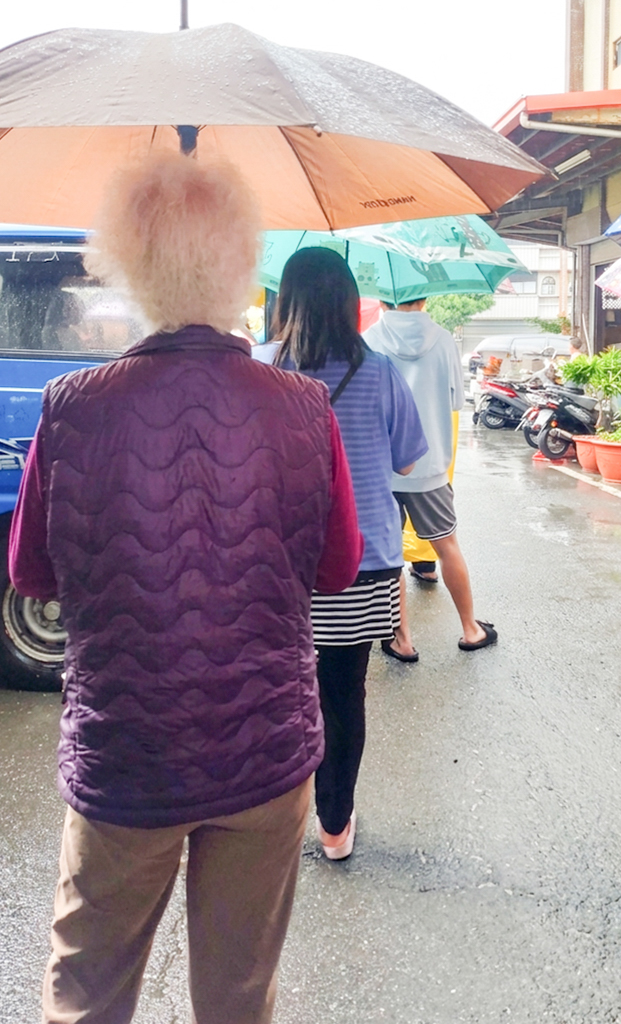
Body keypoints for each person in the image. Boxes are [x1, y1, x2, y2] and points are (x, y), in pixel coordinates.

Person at [9, 153, 363, 1024]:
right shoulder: (304, 407)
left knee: (87, 991)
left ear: (124, 259)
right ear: (241, 259)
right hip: (265, 749)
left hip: (124, 754)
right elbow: (338, 567)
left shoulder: (70, 403)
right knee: (237, 997)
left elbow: (31, 575)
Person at [273, 248, 427, 856]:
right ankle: (334, 824)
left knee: (279, 688)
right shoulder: (381, 372)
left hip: (277, 563)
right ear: (347, 303)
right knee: (342, 692)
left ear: (284, 302)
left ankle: (271, 820)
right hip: (362, 560)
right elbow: (407, 459)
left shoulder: (264, 370)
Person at [365, 298, 497, 656]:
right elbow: (456, 401)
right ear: (424, 299)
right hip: (430, 465)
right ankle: (471, 630)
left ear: (381, 299)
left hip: (384, 466)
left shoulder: (369, 339)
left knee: (391, 556)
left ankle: (402, 640)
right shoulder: (442, 339)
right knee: (447, 546)